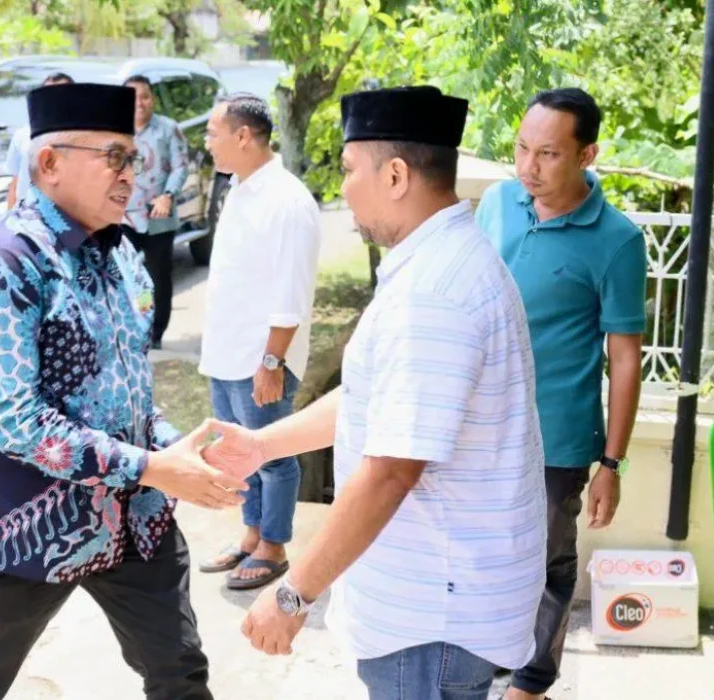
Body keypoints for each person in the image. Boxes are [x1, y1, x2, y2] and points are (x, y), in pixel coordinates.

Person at [200, 86, 547, 699]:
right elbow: (371, 393)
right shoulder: (436, 263)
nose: (342, 190)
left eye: (348, 170)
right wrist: (261, 443)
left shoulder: (433, 293)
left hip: (431, 622)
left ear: (394, 174)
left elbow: (391, 470)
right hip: (432, 606)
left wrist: (292, 591)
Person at [0, 82, 247, 700]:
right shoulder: (4, 262)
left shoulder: (121, 255)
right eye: (114, 157)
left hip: (133, 521)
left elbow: (127, 394)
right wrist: (151, 466)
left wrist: (180, 452)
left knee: (180, 675)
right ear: (49, 163)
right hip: (25, 526)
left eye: (135, 158)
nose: (129, 174)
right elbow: (15, 420)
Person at [475, 88, 646, 700]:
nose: (529, 168)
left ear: (587, 153)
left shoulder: (617, 239)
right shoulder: (496, 203)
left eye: (548, 154)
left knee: (547, 562)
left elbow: (625, 358)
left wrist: (611, 462)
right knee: (482, 551)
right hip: (479, 426)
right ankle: (486, 655)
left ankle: (532, 681)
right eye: (522, 149)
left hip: (559, 435)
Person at [197, 93, 322, 591]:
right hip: (226, 353)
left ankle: (274, 545)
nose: (207, 143)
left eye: (213, 133)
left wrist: (272, 360)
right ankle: (251, 534)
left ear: (243, 136)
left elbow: (291, 292)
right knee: (236, 454)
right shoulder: (240, 187)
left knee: (270, 456)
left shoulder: (288, 200)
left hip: (260, 358)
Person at [121, 75, 190, 349]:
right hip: (124, 216)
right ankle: (130, 328)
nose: (140, 103)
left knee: (158, 277)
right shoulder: (118, 132)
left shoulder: (168, 129)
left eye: (145, 96)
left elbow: (180, 166)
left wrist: (168, 195)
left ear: (153, 99)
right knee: (125, 275)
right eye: (133, 98)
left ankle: (155, 334)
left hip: (158, 217)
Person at [4, 72, 74, 208]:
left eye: (60, 93)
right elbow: (15, 183)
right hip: (27, 215)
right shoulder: (22, 134)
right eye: (48, 94)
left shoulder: (82, 136)